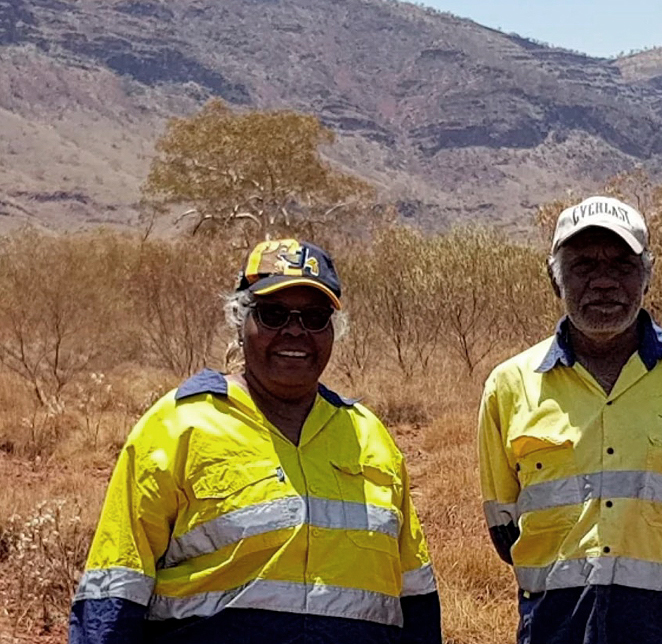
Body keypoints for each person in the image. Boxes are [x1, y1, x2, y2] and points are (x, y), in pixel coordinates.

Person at [70, 239, 441, 644]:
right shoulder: (178, 427)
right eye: (273, 314)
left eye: (314, 317)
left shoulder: (370, 437)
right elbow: (114, 593)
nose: (295, 331)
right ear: (240, 321)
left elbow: (416, 599)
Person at [478, 196, 662, 644]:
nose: (603, 282)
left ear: (647, 277)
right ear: (554, 279)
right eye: (583, 266)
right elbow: (506, 530)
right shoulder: (509, 385)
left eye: (621, 265)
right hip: (560, 627)